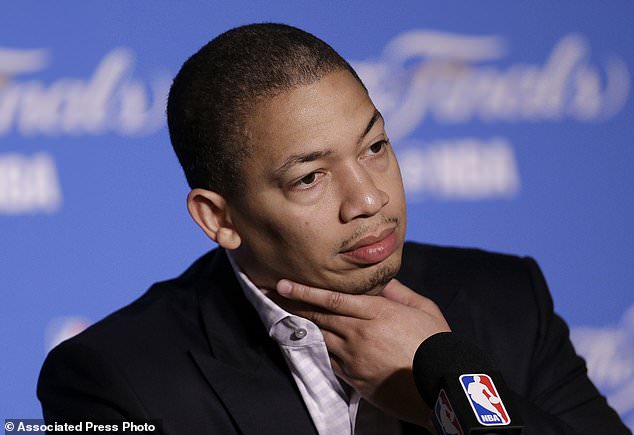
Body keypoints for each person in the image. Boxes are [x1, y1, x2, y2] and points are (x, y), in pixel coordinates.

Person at [37, 23, 630, 435]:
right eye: (309, 179)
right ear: (219, 218)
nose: (370, 197)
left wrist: (446, 399)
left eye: (374, 146)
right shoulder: (108, 377)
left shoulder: (506, 297)